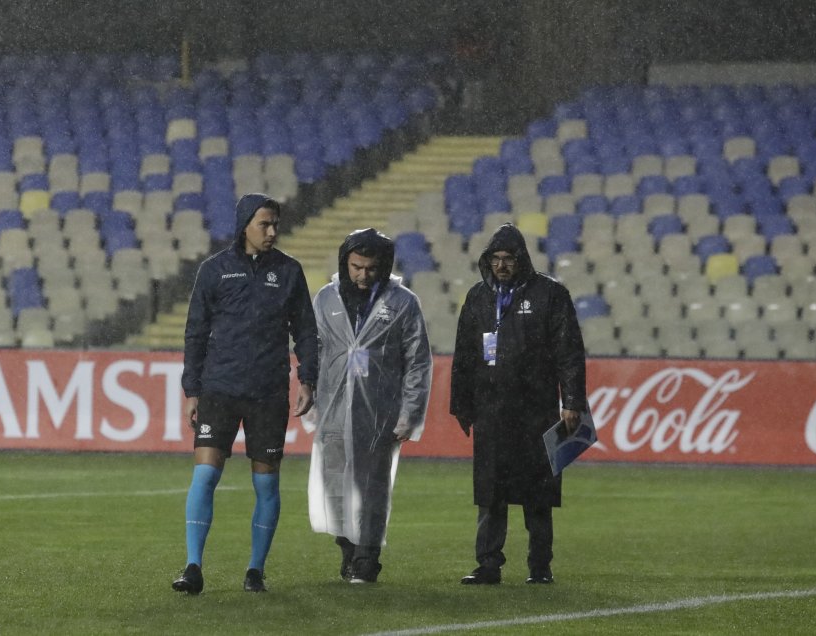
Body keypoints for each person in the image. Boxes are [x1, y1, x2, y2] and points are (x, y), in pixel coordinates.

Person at [172, 193, 318, 595]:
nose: (271, 232)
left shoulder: (289, 272)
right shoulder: (214, 271)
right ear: (244, 226)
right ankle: (193, 567)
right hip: (219, 388)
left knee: (267, 486)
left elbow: (305, 329)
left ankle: (255, 570)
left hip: (269, 392)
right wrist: (192, 390)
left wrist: (307, 378)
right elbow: (195, 332)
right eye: (264, 225)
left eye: (275, 225)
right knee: (204, 475)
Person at [450, 222, 586, 586]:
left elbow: (569, 352)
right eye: (495, 259)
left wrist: (572, 401)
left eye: (508, 258)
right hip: (491, 410)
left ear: (521, 259)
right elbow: (464, 353)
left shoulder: (550, 293)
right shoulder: (478, 297)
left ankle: (540, 566)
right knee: (490, 492)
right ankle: (488, 565)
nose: (501, 265)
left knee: (538, 493)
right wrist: (461, 403)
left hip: (536, 410)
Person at [305, 228, 432, 583]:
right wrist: (309, 393)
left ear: (384, 266)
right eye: (356, 266)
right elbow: (311, 351)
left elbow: (417, 360)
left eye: (370, 268)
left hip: (380, 409)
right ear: (345, 263)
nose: (362, 275)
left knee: (372, 486)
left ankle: (367, 558)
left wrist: (411, 412)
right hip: (332, 407)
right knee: (334, 485)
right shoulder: (326, 298)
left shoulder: (403, 302)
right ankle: (347, 549)